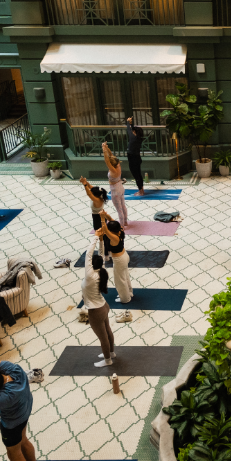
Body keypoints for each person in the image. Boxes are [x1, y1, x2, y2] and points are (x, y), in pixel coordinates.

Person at [83, 235, 117, 367]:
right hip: (103, 306)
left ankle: (108, 360)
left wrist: (95, 238)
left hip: (96, 311)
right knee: (107, 330)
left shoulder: (90, 274)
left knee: (103, 337)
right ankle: (111, 353)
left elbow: (88, 254)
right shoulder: (100, 271)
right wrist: (101, 239)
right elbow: (101, 254)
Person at [97, 210, 133, 323]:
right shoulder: (119, 230)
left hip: (119, 260)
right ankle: (129, 293)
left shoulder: (114, 237)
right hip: (124, 255)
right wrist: (105, 214)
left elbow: (106, 230)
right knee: (125, 276)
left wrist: (102, 218)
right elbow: (112, 222)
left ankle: (125, 299)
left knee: (119, 280)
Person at [102, 141, 129, 227]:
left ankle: (121, 227)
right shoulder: (118, 165)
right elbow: (111, 157)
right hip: (120, 187)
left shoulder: (113, 170)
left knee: (119, 209)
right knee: (123, 206)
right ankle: (125, 222)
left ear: (111, 164)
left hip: (115, 190)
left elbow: (107, 160)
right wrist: (107, 149)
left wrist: (104, 150)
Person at [125, 117, 145, 196]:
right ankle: (142, 189)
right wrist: (131, 123)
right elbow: (131, 130)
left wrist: (127, 122)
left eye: (133, 131)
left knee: (136, 175)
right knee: (138, 174)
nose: (132, 131)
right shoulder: (138, 138)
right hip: (137, 158)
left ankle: (140, 191)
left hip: (133, 158)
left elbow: (128, 130)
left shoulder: (133, 138)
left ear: (135, 133)